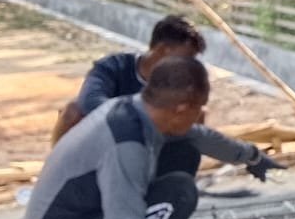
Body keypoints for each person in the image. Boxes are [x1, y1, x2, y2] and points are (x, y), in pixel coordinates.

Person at [23, 56, 282, 219]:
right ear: (182, 109)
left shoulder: (135, 109)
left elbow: (199, 136)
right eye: (199, 108)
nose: (200, 115)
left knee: (183, 152)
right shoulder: (127, 146)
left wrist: (252, 156)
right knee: (178, 194)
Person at [51, 15, 210, 180]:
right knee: (72, 111)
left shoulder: (183, 82)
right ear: (163, 50)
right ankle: (59, 174)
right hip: (106, 139)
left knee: (197, 114)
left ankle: (171, 183)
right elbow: (89, 101)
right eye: (186, 57)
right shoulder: (113, 66)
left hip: (151, 148)